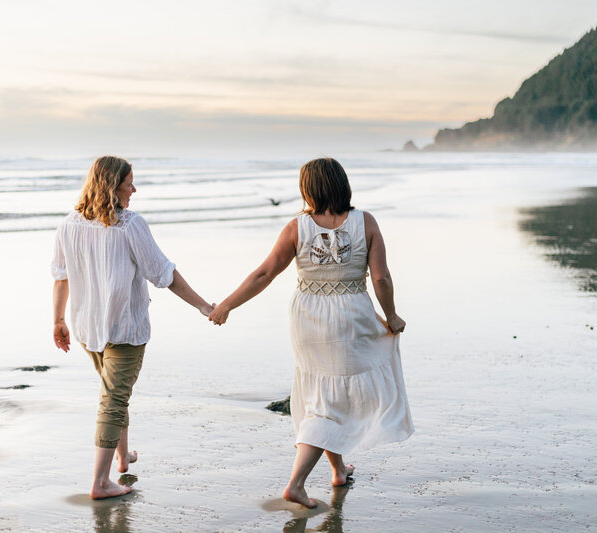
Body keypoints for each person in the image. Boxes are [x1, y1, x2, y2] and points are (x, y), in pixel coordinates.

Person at [209, 157, 413, 508]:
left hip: (308, 318)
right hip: (352, 315)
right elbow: (380, 277)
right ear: (342, 183)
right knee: (332, 397)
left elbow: (264, 274)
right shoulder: (366, 222)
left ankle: (337, 470)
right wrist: (391, 316)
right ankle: (296, 483)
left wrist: (227, 304)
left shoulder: (297, 228)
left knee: (324, 392)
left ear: (308, 188)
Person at [51, 156, 213, 500]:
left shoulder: (69, 223)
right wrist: (203, 305)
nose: (134, 190)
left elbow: (60, 277)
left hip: (86, 326)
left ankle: (122, 456)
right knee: (113, 399)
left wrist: (59, 320)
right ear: (113, 186)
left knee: (114, 393)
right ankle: (100, 482)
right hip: (124, 328)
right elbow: (163, 273)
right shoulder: (129, 224)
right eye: (129, 183)